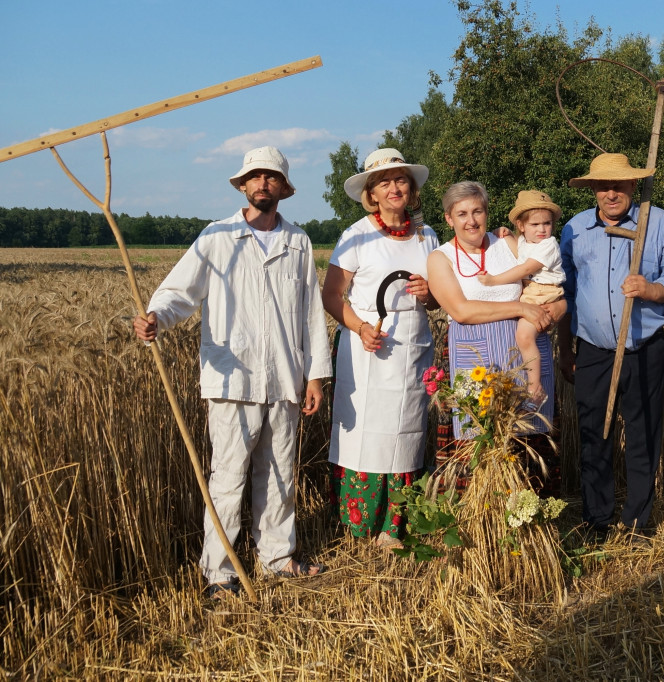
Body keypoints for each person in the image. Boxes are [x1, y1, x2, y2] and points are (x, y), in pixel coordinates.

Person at [133, 146, 331, 597]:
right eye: (255, 176)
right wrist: (155, 318)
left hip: (284, 376)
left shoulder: (297, 242)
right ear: (243, 185)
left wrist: (315, 375)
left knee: (280, 474)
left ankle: (279, 557)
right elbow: (179, 293)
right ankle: (219, 573)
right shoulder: (216, 237)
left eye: (272, 177)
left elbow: (311, 315)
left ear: (284, 188)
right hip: (230, 380)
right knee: (228, 478)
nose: (263, 183)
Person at [558, 153, 664, 539]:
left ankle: (637, 522)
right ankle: (598, 519)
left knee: (644, 434)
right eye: (603, 186)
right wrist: (566, 350)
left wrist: (651, 289)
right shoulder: (575, 229)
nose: (611, 193)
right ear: (593, 189)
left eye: (619, 185)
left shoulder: (656, 221)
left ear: (632, 185)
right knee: (595, 434)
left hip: (643, 348)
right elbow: (565, 292)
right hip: (593, 352)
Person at [321, 148, 439, 551]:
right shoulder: (356, 235)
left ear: (412, 188)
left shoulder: (428, 236)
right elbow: (332, 295)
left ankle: (396, 527)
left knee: (406, 433)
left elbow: (442, 298)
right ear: (371, 193)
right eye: (384, 182)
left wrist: (430, 294)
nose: (394, 188)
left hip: (413, 347)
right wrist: (359, 328)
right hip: (367, 346)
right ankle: (359, 528)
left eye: (401, 179)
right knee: (366, 434)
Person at [427, 181, 564, 445]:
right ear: (448, 219)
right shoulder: (440, 258)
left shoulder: (508, 244)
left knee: (529, 447)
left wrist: (560, 306)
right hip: (474, 362)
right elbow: (462, 311)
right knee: (478, 446)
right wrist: (522, 308)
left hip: (523, 360)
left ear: (487, 213)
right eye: (462, 214)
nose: (471, 221)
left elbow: (543, 281)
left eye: (478, 211)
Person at [477, 190, 565, 408]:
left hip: (543, 292)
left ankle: (534, 386)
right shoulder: (526, 241)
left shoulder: (549, 245)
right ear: (521, 225)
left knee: (524, 336)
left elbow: (526, 267)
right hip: (532, 291)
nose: (542, 229)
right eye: (535, 225)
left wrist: (494, 281)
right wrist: (504, 233)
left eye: (547, 223)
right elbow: (520, 249)